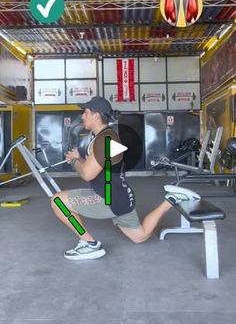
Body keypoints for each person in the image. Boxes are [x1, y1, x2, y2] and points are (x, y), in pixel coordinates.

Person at [51, 96, 200, 260]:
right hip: (121, 197)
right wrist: (79, 158)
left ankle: (89, 244)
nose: (82, 116)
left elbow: (87, 174)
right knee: (140, 236)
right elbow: (101, 166)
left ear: (96, 115)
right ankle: (171, 200)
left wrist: (74, 160)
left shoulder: (105, 139)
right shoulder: (106, 137)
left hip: (107, 199)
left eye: (85, 112)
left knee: (57, 201)